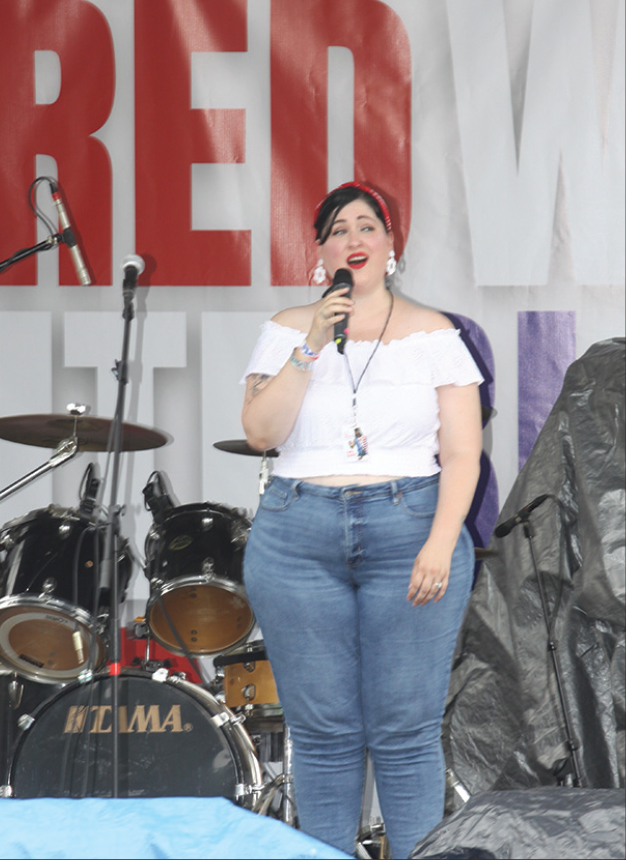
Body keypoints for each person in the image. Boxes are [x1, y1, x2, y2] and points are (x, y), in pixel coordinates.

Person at [240, 182, 483, 858]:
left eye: (367, 225)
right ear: (321, 253)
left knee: (404, 730)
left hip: (410, 526)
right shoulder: (291, 326)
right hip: (296, 532)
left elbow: (462, 451)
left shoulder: (434, 331)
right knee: (323, 732)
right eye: (338, 229)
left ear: (390, 246)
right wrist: (310, 343)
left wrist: (439, 542)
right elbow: (261, 431)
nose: (354, 238)